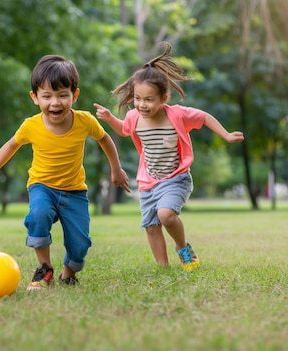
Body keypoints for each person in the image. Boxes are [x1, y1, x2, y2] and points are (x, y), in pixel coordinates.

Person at [0, 55, 130, 290]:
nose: (55, 103)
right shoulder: (31, 125)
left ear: (75, 95)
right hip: (42, 186)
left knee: (80, 245)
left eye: (62, 95)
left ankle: (68, 274)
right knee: (38, 214)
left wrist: (116, 168)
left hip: (75, 191)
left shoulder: (84, 121)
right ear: (35, 97)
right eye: (47, 96)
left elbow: (105, 138)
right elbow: (11, 145)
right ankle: (44, 269)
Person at [94, 42, 244, 271]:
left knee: (166, 215)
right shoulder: (135, 117)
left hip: (176, 178)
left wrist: (225, 135)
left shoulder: (177, 115)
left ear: (164, 98)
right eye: (137, 98)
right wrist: (109, 118)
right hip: (148, 181)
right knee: (151, 226)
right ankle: (163, 268)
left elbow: (203, 117)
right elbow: (124, 129)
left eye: (149, 99)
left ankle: (183, 248)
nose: (142, 105)